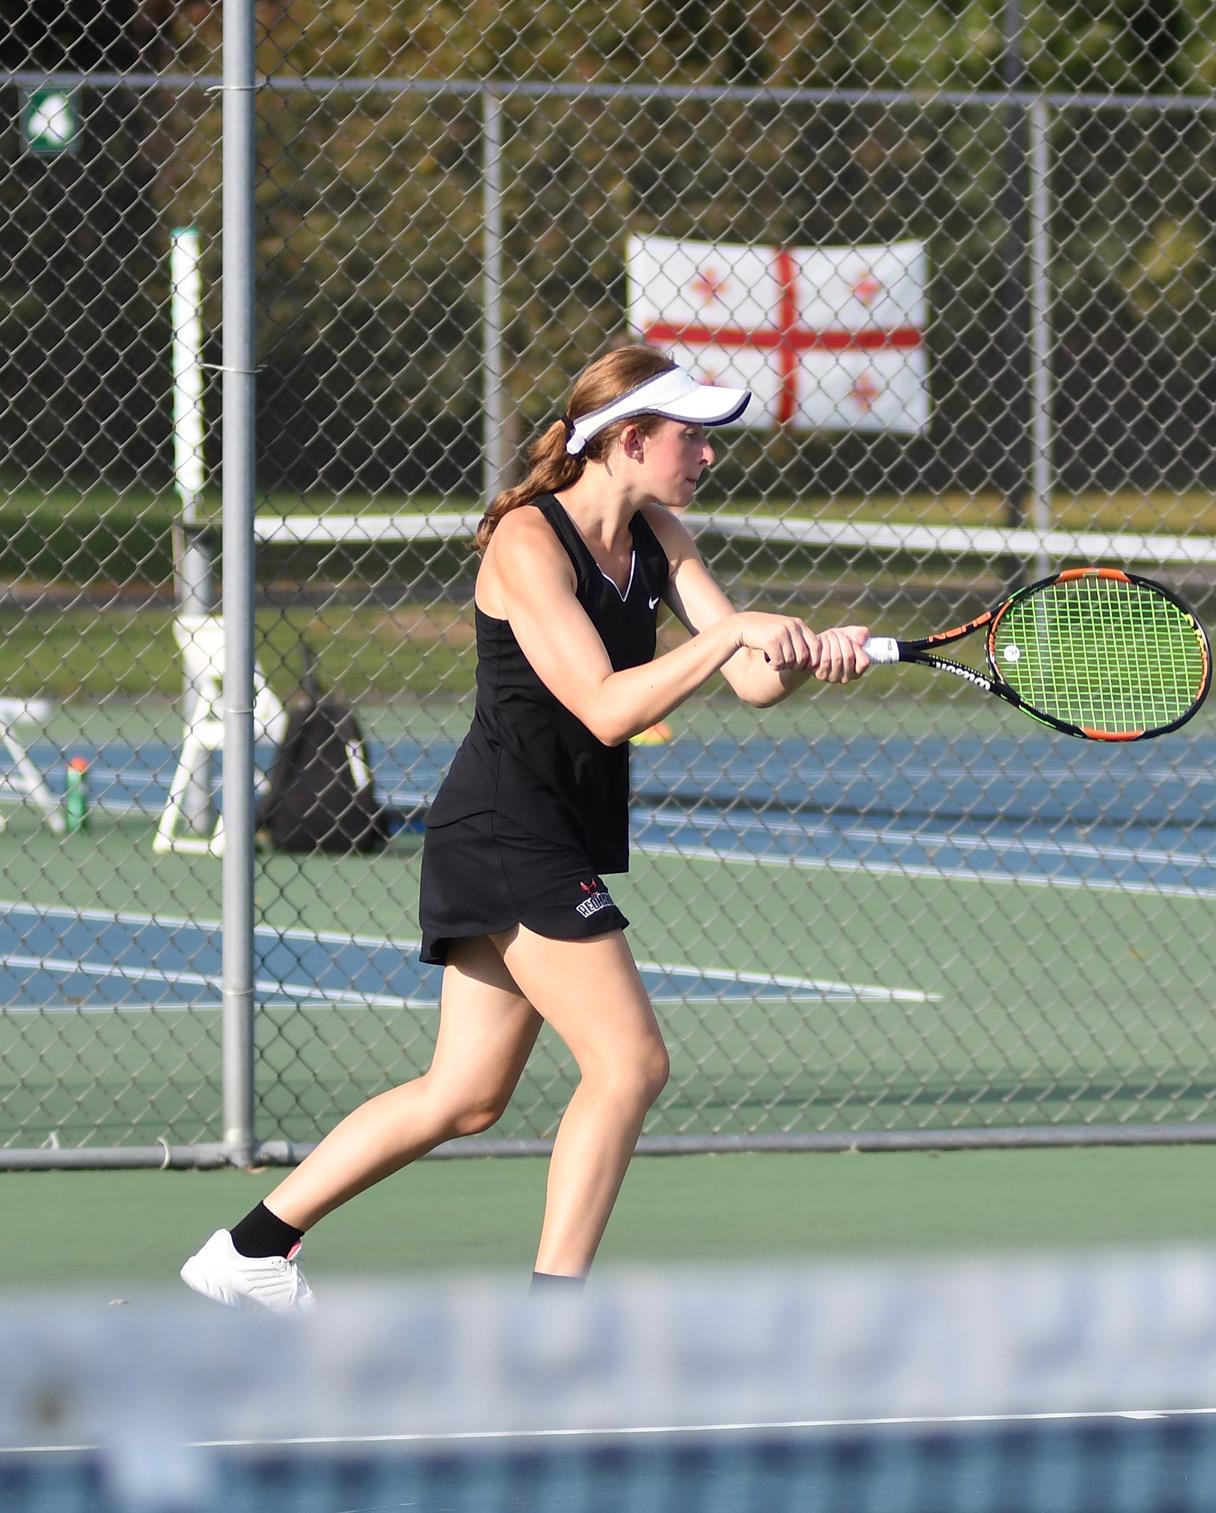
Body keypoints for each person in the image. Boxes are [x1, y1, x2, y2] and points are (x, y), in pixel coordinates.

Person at [180, 346, 868, 1311]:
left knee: (463, 1095)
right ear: (631, 438)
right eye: (692, 437)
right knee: (631, 1063)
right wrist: (731, 633)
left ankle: (251, 1249)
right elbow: (604, 705)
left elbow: (753, 680)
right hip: (506, 826)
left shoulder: (661, 533)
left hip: (549, 830)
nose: (707, 455)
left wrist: (804, 652)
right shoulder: (526, 542)